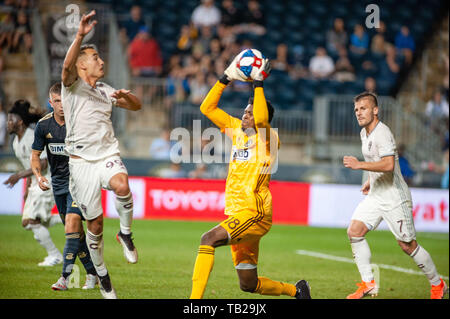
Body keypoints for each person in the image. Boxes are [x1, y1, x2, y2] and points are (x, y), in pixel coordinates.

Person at [189, 52, 311, 299]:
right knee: (248, 284)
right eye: (245, 111)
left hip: (255, 214)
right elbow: (206, 107)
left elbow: (263, 119)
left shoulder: (269, 140)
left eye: (249, 112)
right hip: (238, 212)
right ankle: (296, 291)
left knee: (208, 239)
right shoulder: (237, 132)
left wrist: (258, 83)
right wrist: (226, 77)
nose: (245, 115)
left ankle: (193, 303)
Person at [61, 10, 141, 299]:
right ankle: (104, 278)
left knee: (122, 184)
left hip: (107, 154)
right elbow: (65, 67)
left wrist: (127, 96)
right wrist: (80, 35)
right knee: (94, 225)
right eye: (96, 58)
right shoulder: (72, 86)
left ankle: (126, 234)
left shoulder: (106, 90)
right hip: (81, 164)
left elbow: (136, 106)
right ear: (83, 65)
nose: (102, 61)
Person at [343, 92, 448, 299]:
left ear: (375, 110)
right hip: (376, 194)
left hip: (394, 197)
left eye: (363, 108)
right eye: (356, 109)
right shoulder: (365, 134)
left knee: (407, 245)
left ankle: (438, 284)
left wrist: (359, 165)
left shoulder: (383, 132)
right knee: (354, 231)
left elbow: (389, 164)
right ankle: (368, 284)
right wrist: (370, 180)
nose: (359, 113)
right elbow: (378, 163)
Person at [30, 83, 98, 291]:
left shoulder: (80, 124)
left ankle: (64, 278)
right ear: (50, 103)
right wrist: (38, 175)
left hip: (79, 184)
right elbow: (35, 155)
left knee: (71, 227)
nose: (61, 105)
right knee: (75, 233)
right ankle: (94, 274)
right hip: (58, 184)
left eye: (65, 101)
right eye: (57, 101)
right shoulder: (43, 126)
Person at [4, 99, 63, 266]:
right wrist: (28, 187)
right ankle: (70, 217)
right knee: (29, 222)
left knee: (31, 220)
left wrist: (19, 175)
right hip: (36, 183)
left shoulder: (31, 136)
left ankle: (55, 255)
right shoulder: (16, 143)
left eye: (10, 119)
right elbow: (30, 166)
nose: (8, 123)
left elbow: (43, 163)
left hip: (47, 181)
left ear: (20, 121)